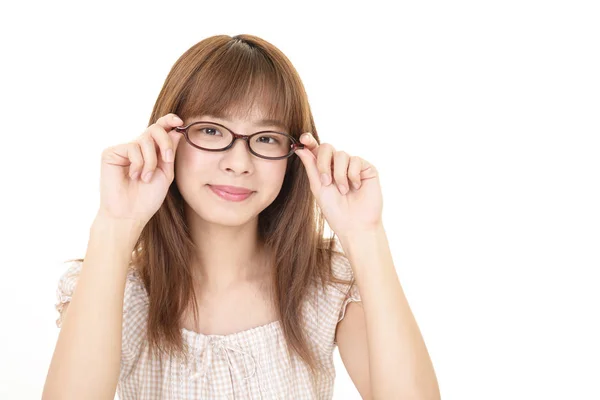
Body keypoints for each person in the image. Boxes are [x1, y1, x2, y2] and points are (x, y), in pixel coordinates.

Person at [42, 34, 440, 400]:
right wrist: (115, 225)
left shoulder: (324, 285)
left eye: (266, 138)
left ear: (295, 154)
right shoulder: (117, 287)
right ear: (167, 136)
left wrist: (364, 234)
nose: (238, 163)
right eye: (212, 131)